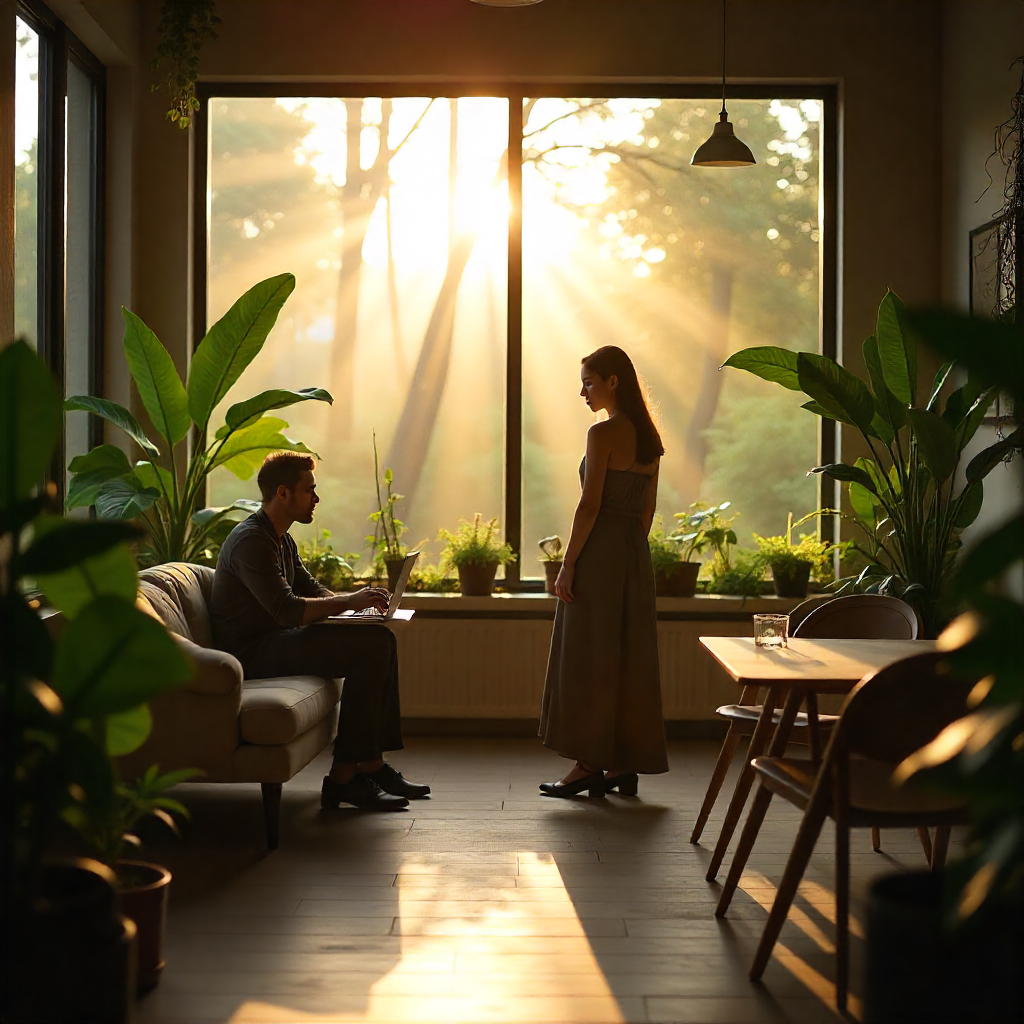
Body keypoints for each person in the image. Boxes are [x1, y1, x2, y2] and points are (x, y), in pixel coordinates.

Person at [210, 451, 429, 811]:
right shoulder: (252, 541)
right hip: (252, 653)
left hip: (275, 642)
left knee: (380, 638)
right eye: (309, 490)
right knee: (371, 648)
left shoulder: (280, 538)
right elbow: (287, 610)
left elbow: (313, 591)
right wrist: (349, 602)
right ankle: (345, 777)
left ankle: (371, 764)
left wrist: (359, 609)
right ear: (283, 493)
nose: (316, 498)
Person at [538, 345, 669, 797]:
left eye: (589, 382)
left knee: (589, 659)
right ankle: (620, 765)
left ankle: (589, 764)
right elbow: (647, 511)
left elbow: (589, 504)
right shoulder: (650, 438)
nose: (582, 392)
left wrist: (568, 564)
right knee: (625, 660)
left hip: (599, 554)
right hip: (633, 554)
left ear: (614, 381)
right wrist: (630, 553)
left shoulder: (603, 433)